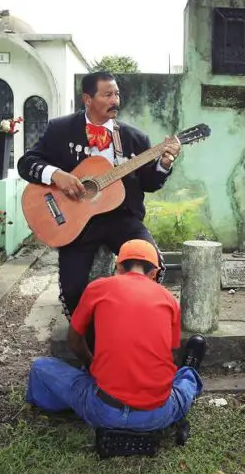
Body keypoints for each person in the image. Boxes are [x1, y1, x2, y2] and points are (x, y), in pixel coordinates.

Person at [18, 71, 180, 341]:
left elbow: (150, 183)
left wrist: (164, 164)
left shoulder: (134, 138)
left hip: (122, 219)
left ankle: (131, 324)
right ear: (87, 99)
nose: (115, 99)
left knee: (152, 264)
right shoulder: (61, 130)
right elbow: (27, 163)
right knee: (72, 291)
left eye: (117, 94)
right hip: (75, 222)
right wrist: (56, 174)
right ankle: (91, 343)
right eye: (107, 94)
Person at [26, 239, 206, 431]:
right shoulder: (169, 300)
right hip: (155, 416)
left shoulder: (98, 288)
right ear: (154, 273)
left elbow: (74, 340)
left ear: (118, 267)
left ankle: (68, 404)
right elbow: (171, 354)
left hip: (104, 411)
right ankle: (189, 373)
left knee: (40, 368)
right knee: (184, 382)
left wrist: (91, 363)